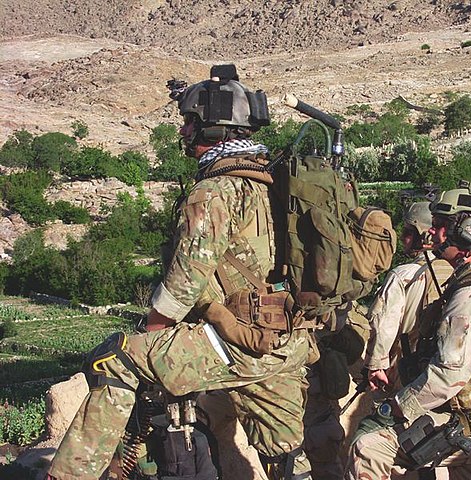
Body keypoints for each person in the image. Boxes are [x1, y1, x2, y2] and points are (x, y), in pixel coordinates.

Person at [47, 65, 315, 480]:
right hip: (285, 340)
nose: (184, 132)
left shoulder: (214, 191)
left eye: (191, 122)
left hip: (235, 341)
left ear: (214, 129)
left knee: (115, 361)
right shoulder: (273, 180)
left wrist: (153, 333)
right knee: (284, 453)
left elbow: (184, 281)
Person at [345, 182, 471, 480]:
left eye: (441, 225)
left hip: (469, 423)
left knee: (368, 444)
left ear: (467, 230)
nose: (434, 233)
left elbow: (448, 375)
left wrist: (396, 408)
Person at [365, 201, 453, 395]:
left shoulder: (402, 275)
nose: (404, 239)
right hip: (443, 376)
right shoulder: (457, 271)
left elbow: (383, 325)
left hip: (407, 370)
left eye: (407, 233)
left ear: (423, 236)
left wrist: (375, 366)